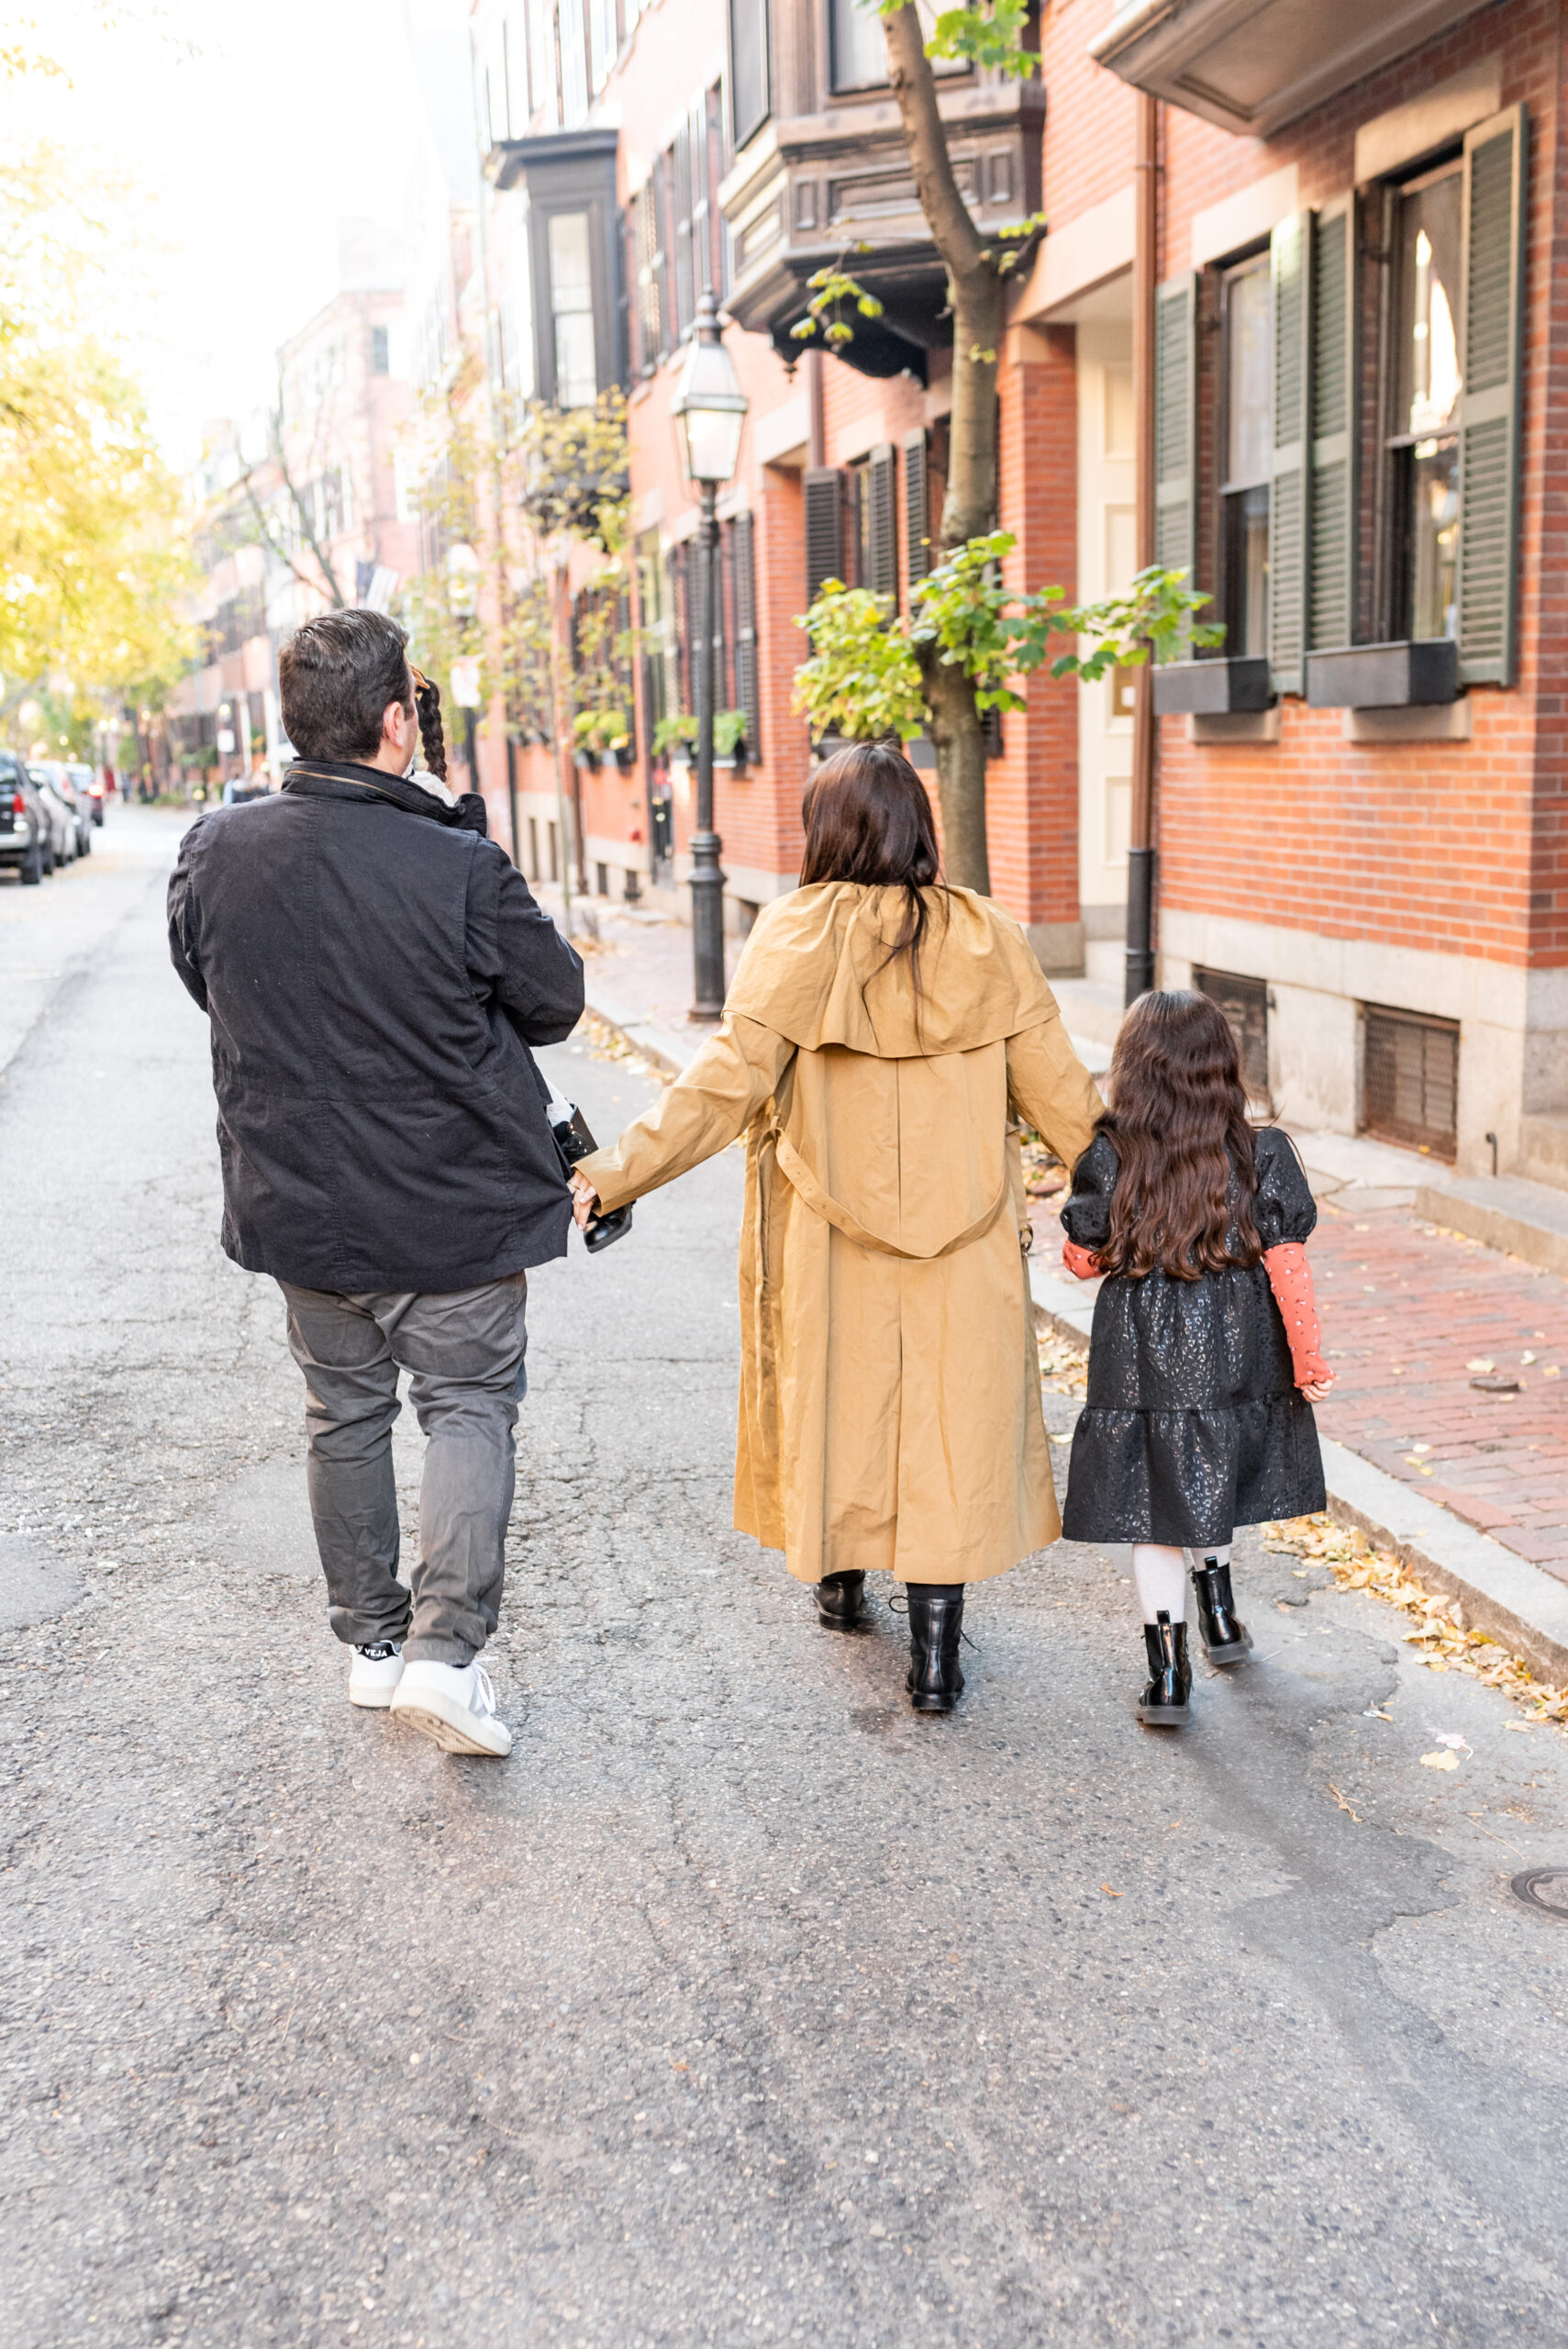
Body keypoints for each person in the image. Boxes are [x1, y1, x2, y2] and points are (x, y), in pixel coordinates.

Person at [569, 742, 1104, 1714]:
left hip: (827, 1244)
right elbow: (1064, 1098)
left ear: (826, 831)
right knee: (948, 1426)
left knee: (842, 1406)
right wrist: (1130, 1192)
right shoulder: (988, 938)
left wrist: (609, 1176)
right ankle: (935, 1658)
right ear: (918, 829)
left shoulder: (793, 936)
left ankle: (841, 1580)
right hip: (966, 1240)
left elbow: (721, 1086)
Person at [168, 609, 584, 1757]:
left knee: (342, 1414)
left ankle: (372, 1647)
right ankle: (447, 1661)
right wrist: (467, 834)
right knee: (464, 1409)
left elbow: (208, 976)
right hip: (451, 1208)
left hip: (300, 1208)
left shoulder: (217, 848)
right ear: (400, 721)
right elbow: (551, 999)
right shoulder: (454, 861)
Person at [1057, 990, 1332, 1729]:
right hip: (1237, 1340)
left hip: (1141, 1345)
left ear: (1133, 1071)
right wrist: (1307, 1359)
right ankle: (1218, 1612)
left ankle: (1168, 1676)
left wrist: (1088, 1242)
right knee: (1210, 1467)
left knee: (1156, 1502)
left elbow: (1085, 1261)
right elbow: (1288, 1263)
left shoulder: (1109, 1156)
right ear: (1221, 1066)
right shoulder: (1260, 1151)